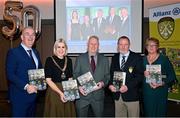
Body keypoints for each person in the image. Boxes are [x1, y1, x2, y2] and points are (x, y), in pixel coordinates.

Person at [6, 27, 42, 117]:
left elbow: (39, 71)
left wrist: (41, 84)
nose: (30, 37)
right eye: (27, 34)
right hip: (19, 97)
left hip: (33, 97)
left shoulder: (36, 52)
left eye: (33, 34)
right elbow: (10, 74)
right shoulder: (13, 52)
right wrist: (26, 86)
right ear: (22, 37)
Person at [74, 35, 110, 117]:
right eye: (91, 44)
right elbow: (75, 75)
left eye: (96, 44)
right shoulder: (80, 58)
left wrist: (102, 83)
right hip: (83, 97)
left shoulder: (104, 59)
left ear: (98, 45)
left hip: (98, 97)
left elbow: (107, 76)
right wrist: (79, 86)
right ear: (87, 45)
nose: (93, 46)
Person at [109, 36, 143, 117]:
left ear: (129, 45)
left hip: (132, 95)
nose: (123, 47)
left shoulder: (136, 57)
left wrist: (127, 86)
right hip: (117, 96)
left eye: (125, 44)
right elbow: (111, 74)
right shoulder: (115, 57)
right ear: (117, 45)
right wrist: (110, 85)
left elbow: (140, 76)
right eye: (121, 44)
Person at [143, 37, 176, 117]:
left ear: (157, 47)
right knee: (148, 113)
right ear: (146, 47)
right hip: (147, 91)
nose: (151, 47)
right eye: (149, 45)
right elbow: (139, 75)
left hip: (160, 91)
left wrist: (162, 83)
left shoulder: (163, 59)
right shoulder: (143, 59)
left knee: (159, 113)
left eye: (153, 45)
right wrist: (143, 74)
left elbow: (172, 76)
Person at [44, 38, 76, 117]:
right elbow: (48, 80)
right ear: (55, 48)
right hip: (54, 91)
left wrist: (71, 93)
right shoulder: (49, 60)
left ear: (66, 49)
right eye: (58, 47)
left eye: (63, 47)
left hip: (66, 90)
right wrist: (61, 93)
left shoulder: (69, 60)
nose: (61, 49)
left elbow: (70, 78)